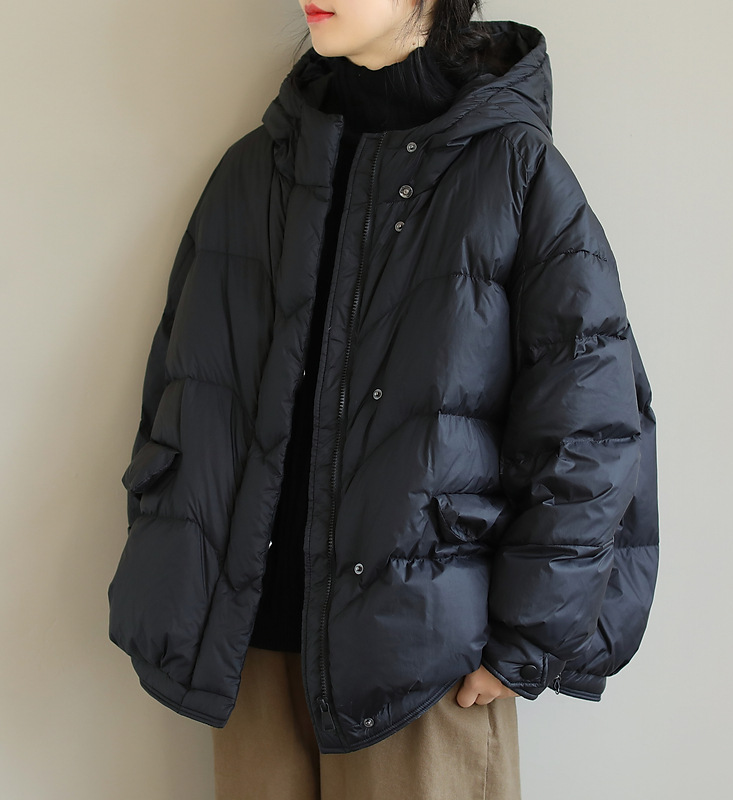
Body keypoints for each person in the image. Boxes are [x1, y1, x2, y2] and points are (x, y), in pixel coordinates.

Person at [107, 1, 659, 798]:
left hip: (422, 664)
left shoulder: (514, 172)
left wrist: (527, 643)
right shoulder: (253, 172)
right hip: (248, 654)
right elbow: (179, 393)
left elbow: (593, 427)